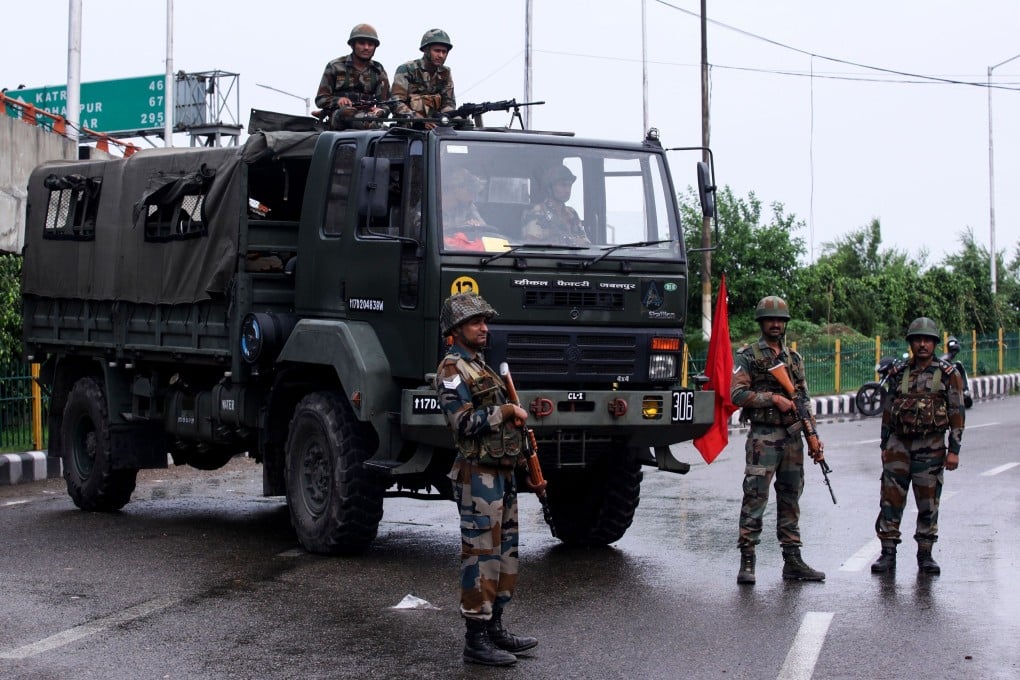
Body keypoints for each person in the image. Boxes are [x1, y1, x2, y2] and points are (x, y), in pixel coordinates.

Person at [433, 293, 538, 666]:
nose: (484, 328)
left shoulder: (481, 365)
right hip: (476, 476)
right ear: (456, 328)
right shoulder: (451, 370)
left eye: (484, 321)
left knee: (505, 552)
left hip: (501, 474)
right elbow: (462, 422)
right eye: (476, 322)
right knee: (480, 556)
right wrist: (505, 410)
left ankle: (495, 628)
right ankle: (475, 640)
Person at [731, 295, 827, 585]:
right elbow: (737, 395)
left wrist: (813, 437)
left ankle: (793, 561)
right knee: (755, 496)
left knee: (791, 498)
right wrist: (773, 398)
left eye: (780, 320)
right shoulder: (748, 356)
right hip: (764, 436)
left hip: (793, 437)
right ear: (761, 322)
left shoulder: (794, 359)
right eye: (770, 320)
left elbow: (803, 399)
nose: (775, 324)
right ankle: (748, 560)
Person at [870, 317, 965, 575]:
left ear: (934, 343)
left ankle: (925, 555)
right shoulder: (898, 372)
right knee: (890, 500)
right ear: (911, 343)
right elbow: (888, 410)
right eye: (917, 340)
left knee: (928, 503)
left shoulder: (947, 375)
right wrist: (884, 444)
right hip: (898, 446)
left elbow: (957, 413)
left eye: (927, 340)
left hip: (931, 447)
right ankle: (887, 554)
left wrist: (954, 450)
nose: (922, 344)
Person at [314, 23, 390, 130]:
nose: (366, 48)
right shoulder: (335, 66)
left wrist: (381, 111)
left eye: (370, 44)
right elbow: (321, 99)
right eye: (362, 43)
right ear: (352, 45)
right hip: (340, 116)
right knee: (348, 113)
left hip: (369, 116)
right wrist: (338, 100)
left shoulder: (378, 70)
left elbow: (386, 103)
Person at [390, 29, 457, 129]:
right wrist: (420, 120)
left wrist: (445, 116)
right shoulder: (407, 69)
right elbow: (396, 103)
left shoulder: (445, 73)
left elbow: (448, 103)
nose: (441, 55)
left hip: (436, 125)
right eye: (437, 51)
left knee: (461, 122)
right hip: (409, 125)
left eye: (444, 52)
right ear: (426, 50)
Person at [520, 164, 591, 245]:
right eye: (563, 185)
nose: (568, 190)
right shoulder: (535, 212)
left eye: (570, 185)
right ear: (550, 188)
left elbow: (585, 242)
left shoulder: (572, 213)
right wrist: (571, 241)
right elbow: (532, 245)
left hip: (575, 257)